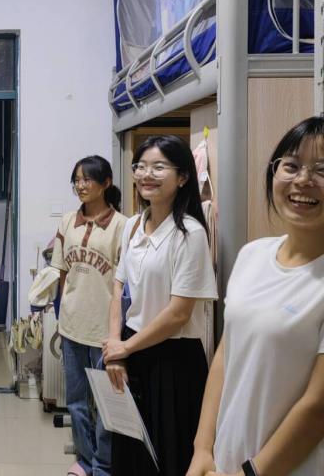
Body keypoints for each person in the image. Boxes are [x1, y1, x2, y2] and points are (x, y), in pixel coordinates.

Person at [188, 116, 324, 476]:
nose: (303, 180)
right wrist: (203, 449)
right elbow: (226, 354)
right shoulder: (252, 254)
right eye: (291, 166)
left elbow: (322, 406)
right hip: (224, 461)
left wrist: (251, 473)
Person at [102, 135, 217, 475]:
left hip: (173, 362)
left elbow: (179, 314)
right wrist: (116, 347)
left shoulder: (189, 234)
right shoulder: (133, 225)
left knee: (167, 457)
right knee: (130, 454)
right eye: (140, 166)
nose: (146, 174)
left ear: (182, 177)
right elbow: (118, 289)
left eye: (158, 167)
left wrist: (124, 348)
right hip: (131, 351)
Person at [51, 155, 127, 476]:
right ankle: (84, 460)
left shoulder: (122, 226)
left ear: (106, 183)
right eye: (77, 180)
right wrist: (61, 314)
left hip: (104, 332)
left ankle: (103, 465)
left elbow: (123, 285)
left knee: (107, 402)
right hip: (72, 327)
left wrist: (117, 334)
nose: (81, 186)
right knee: (77, 402)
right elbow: (62, 274)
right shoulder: (67, 222)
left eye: (87, 179)